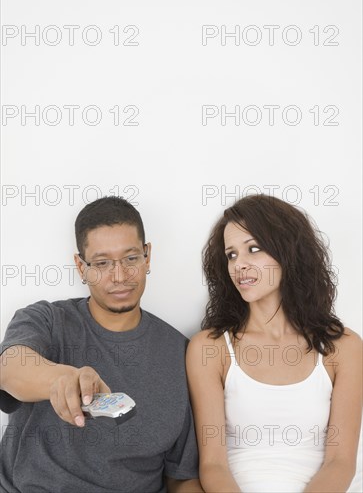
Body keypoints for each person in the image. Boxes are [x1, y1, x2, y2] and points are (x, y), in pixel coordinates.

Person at [0, 196, 203, 493]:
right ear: (81, 267)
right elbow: (10, 367)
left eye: (131, 258)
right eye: (102, 263)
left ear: (148, 256)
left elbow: (182, 476)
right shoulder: (47, 320)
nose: (119, 276)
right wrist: (63, 380)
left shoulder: (181, 354)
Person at [186, 194, 362, 493]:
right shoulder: (209, 348)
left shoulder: (343, 346)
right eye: (231, 255)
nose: (239, 264)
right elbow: (213, 465)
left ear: (288, 253)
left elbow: (340, 462)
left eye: (253, 249)